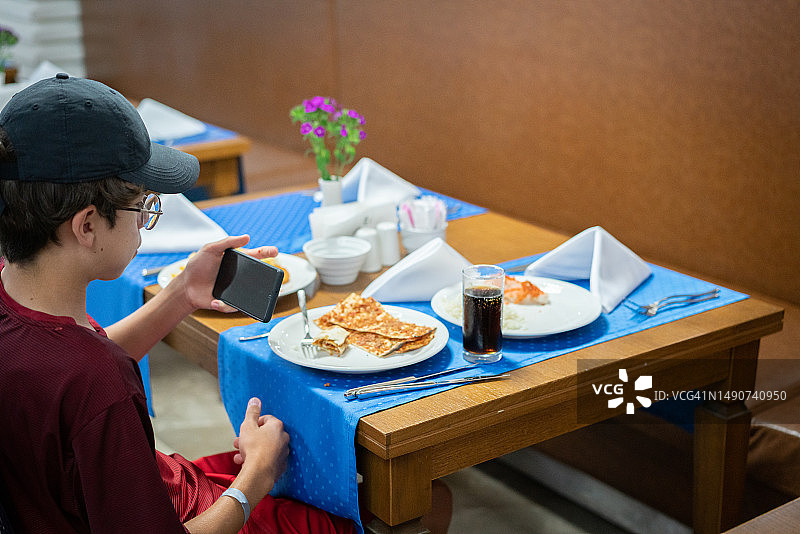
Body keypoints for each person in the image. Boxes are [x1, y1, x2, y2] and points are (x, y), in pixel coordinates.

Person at [0, 74, 357, 533]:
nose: (146, 222)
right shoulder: (99, 380)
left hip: (122, 495)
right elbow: (90, 382)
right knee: (388, 508)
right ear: (86, 226)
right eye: (143, 207)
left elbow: (75, 374)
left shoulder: (23, 305)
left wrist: (184, 291)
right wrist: (255, 477)